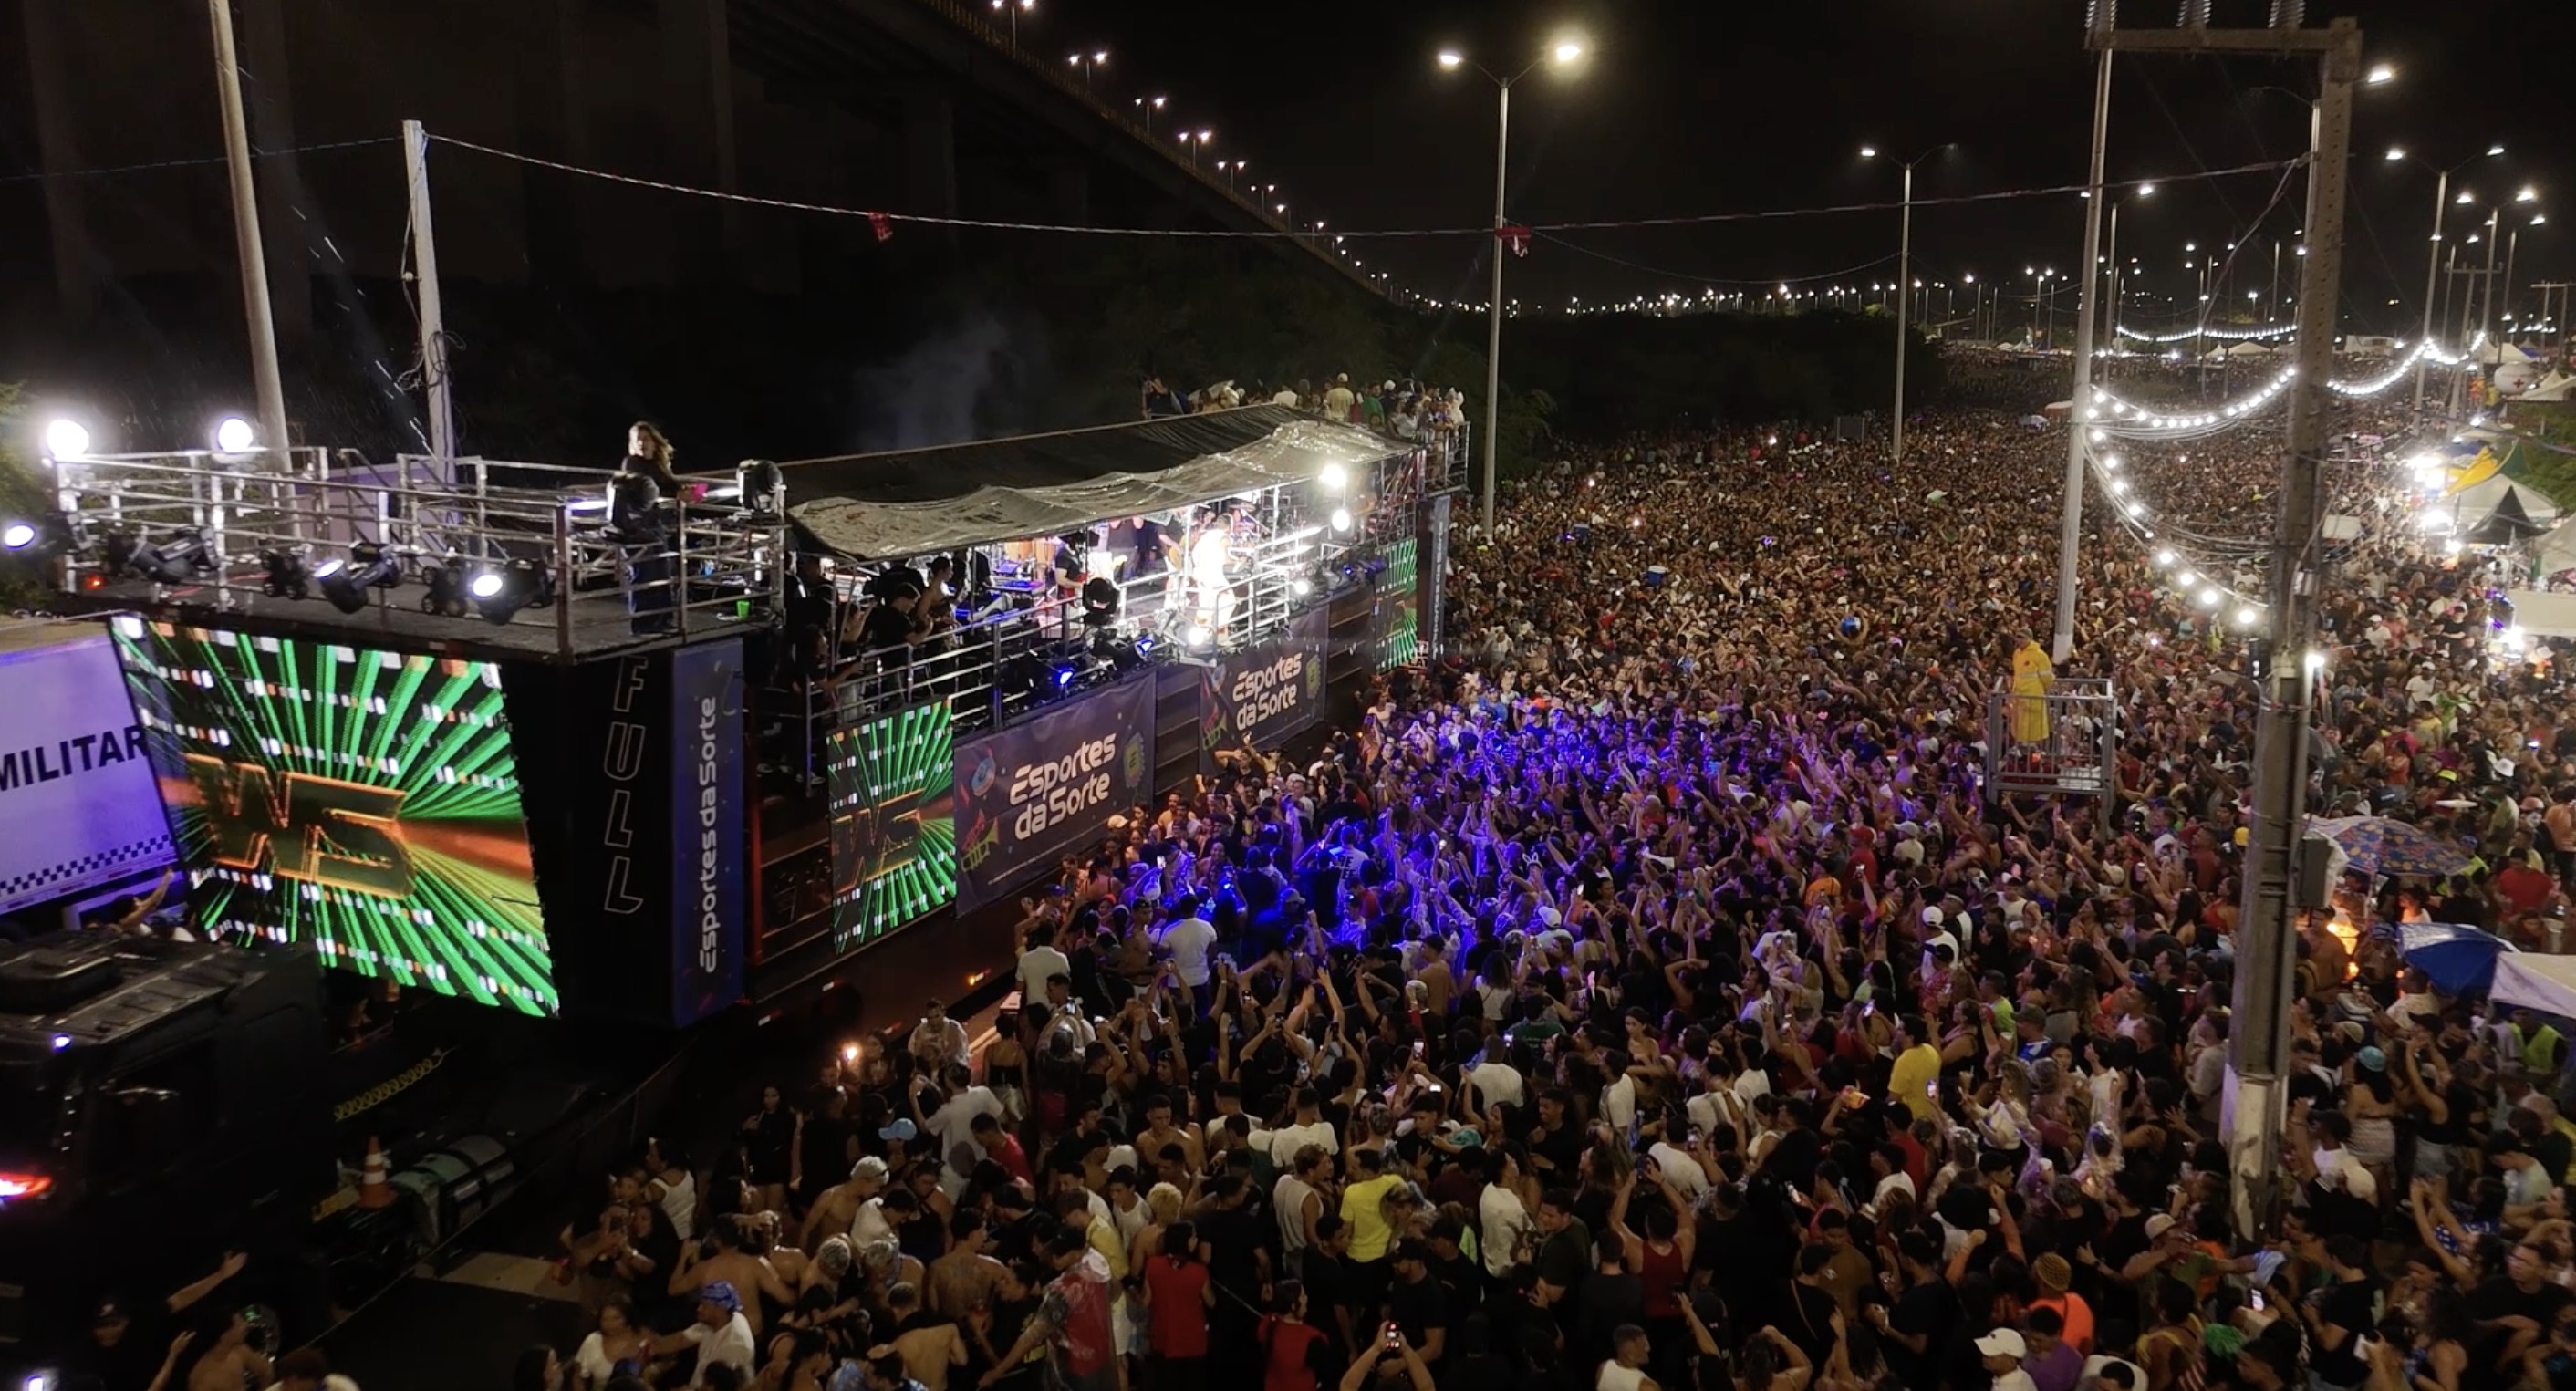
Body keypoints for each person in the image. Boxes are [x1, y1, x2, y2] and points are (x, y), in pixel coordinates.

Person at [613, 421, 683, 635]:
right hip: (636, 526)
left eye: (646, 439)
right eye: (638, 440)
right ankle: (643, 624)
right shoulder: (632, 464)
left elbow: (669, 485)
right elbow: (648, 489)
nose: (642, 443)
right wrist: (675, 495)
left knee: (662, 572)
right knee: (643, 574)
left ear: (654, 442)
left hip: (657, 524)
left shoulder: (658, 465)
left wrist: (684, 491)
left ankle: (663, 620)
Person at [650, 1281, 758, 1388]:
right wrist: (645, 1347)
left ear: (719, 1309)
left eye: (704, 1306)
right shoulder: (718, 1321)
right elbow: (680, 1340)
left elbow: (718, 1387)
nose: (699, 1309)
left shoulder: (735, 1346)